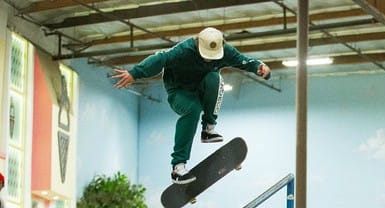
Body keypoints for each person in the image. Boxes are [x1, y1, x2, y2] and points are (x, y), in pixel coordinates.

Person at [111, 27, 271, 184]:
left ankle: (208, 128)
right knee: (192, 109)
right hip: (179, 92)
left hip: (201, 89)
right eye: (205, 55)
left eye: (212, 57)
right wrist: (135, 73)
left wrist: (260, 66)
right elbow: (159, 59)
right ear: (198, 44)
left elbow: (243, 61)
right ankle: (178, 168)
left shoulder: (225, 51)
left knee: (215, 78)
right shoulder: (184, 50)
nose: (208, 60)